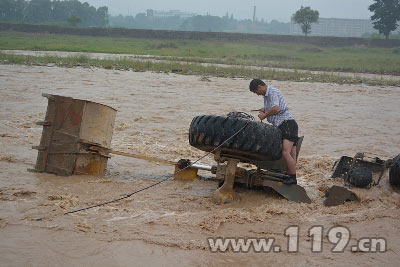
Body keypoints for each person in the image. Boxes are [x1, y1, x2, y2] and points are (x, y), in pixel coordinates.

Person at [249, 79, 299, 185]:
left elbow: (276, 108)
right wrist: (265, 109)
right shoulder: (268, 95)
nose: (256, 94)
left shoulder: (272, 92)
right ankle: (291, 176)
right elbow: (275, 107)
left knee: (285, 152)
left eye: (255, 92)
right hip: (288, 124)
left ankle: (292, 178)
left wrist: (264, 115)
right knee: (291, 153)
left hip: (286, 124)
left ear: (259, 87)